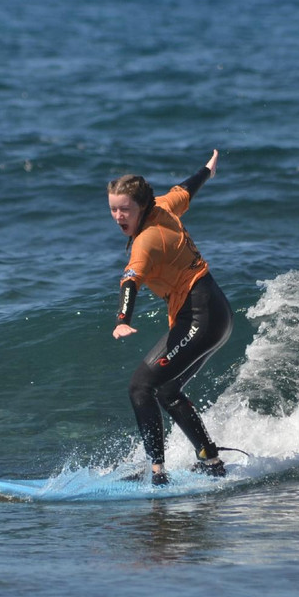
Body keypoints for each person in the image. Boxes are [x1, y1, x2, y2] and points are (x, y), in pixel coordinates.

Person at [107, 149, 233, 485]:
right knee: (166, 390)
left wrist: (122, 318)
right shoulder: (163, 204)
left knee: (140, 387)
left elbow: (130, 280)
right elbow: (187, 188)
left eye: (125, 209)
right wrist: (208, 170)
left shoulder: (145, 242)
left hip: (200, 316)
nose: (119, 216)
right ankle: (211, 460)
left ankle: (157, 472)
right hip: (214, 312)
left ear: (141, 206)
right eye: (113, 209)